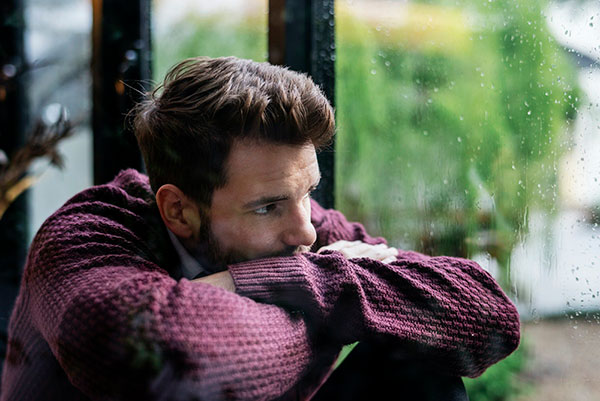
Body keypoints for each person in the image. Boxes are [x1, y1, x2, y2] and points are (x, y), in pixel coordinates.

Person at [0, 56, 520, 401]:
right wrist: (343, 305)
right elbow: (163, 362)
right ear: (179, 210)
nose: (307, 234)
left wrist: (285, 283)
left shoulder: (303, 225)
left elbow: (489, 320)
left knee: (420, 370)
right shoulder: (83, 238)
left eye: (308, 191)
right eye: (268, 207)